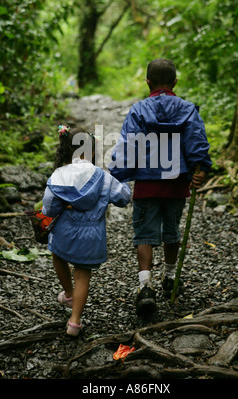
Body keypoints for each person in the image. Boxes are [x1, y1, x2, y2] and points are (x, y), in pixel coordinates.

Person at [109, 58, 212, 316]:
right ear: (175, 81)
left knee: (144, 232)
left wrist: (119, 175)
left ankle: (145, 286)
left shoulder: (138, 110)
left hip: (146, 183)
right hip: (177, 183)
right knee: (172, 229)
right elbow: (197, 141)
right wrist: (200, 170)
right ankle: (169, 276)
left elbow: (128, 146)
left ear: (148, 82)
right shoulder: (187, 110)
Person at [42, 125, 131, 336]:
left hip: (65, 232)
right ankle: (74, 321)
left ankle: (69, 294)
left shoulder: (59, 175)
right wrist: (124, 179)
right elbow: (123, 198)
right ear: (91, 151)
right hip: (92, 236)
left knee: (57, 254)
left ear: (66, 150)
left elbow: (49, 208)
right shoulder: (102, 177)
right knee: (83, 275)